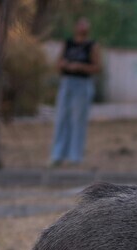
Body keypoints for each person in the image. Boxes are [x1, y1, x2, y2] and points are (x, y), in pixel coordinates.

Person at [50, 18, 102, 167]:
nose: (82, 27)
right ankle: (57, 155)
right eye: (80, 24)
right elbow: (58, 63)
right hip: (67, 82)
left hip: (82, 83)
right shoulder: (68, 44)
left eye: (85, 24)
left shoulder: (92, 46)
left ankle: (75, 157)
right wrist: (65, 65)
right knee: (61, 118)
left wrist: (80, 67)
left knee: (78, 119)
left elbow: (97, 67)